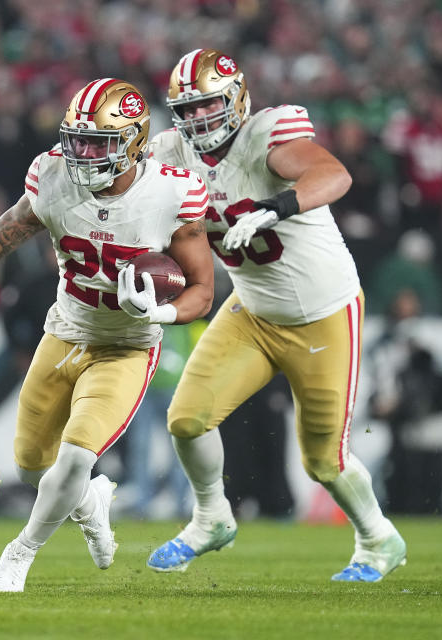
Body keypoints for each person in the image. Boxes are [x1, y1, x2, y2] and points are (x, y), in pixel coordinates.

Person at [0, 78, 215, 592]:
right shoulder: (52, 176)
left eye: (98, 143)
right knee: (30, 467)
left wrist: (162, 315)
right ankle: (90, 500)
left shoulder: (172, 192)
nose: (83, 155)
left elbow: (202, 289)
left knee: (76, 454)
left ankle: (19, 554)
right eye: (77, 140)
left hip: (128, 346)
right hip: (64, 331)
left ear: (134, 141)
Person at [146, 49, 406, 582]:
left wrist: (278, 207)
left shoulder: (267, 136)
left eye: (208, 106)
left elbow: (334, 175)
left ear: (237, 100)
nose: (198, 119)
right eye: (188, 109)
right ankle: (211, 517)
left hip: (323, 312)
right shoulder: (169, 154)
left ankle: (379, 540)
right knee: (187, 419)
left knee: (323, 461)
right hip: (252, 309)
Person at [368, 289, 442, 514]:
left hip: (428, 412)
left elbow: (440, 377)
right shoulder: (385, 343)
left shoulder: (429, 339)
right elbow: (382, 375)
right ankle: (401, 508)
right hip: (401, 416)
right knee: (403, 469)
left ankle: (432, 510)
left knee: (431, 467)